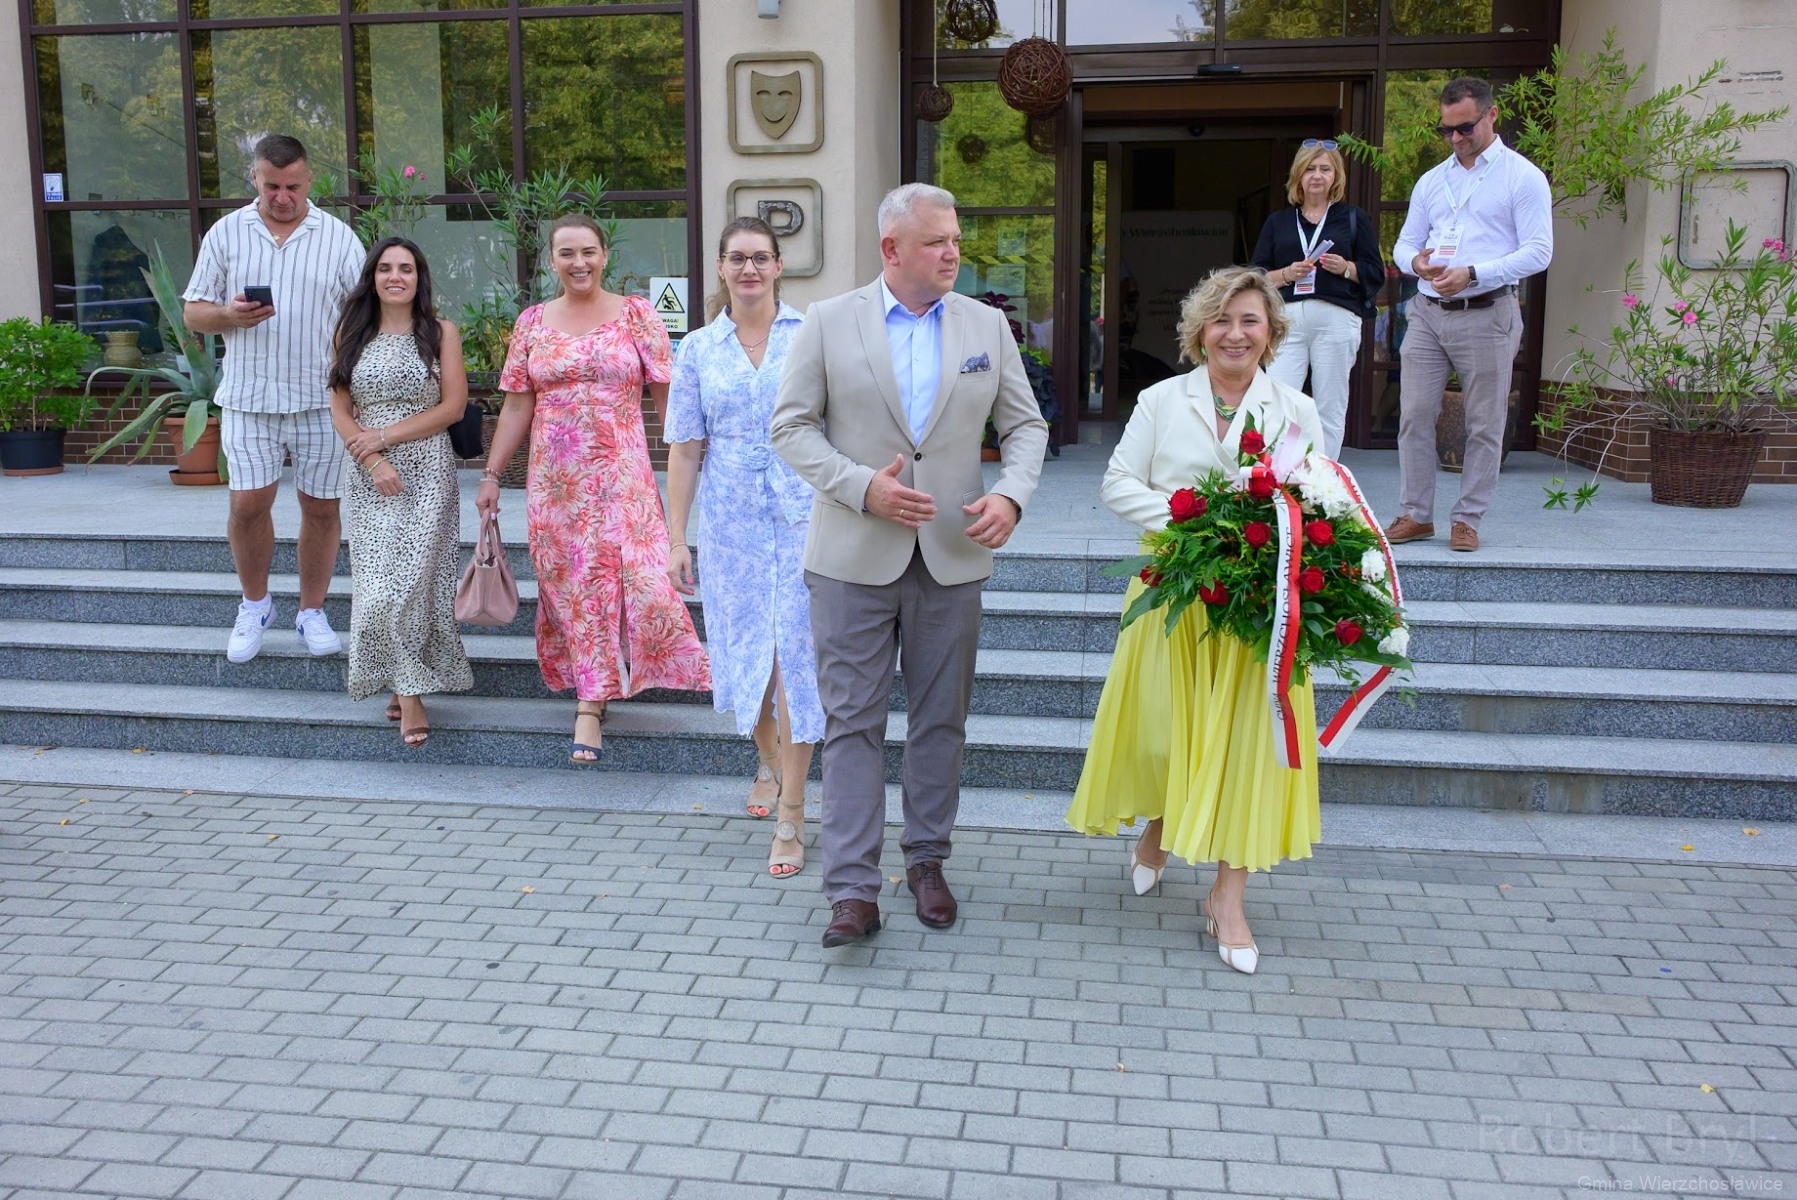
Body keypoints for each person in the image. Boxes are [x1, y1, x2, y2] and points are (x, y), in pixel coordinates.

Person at [771, 183, 1049, 948]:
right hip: (849, 559)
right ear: (891, 249)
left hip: (952, 556)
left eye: (955, 238)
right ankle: (851, 891)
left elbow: (1025, 428)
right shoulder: (828, 321)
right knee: (852, 725)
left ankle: (927, 862)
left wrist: (1011, 496)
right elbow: (789, 427)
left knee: (940, 723)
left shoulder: (984, 325)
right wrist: (861, 486)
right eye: (936, 241)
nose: (952, 252)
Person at [1066, 266, 1326, 976]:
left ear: (1271, 332)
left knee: (1248, 746)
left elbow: (1317, 500)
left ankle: (1226, 898)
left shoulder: (1296, 409)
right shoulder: (1159, 399)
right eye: (1221, 320)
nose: (1234, 334)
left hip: (1257, 603)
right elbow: (1117, 482)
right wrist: (1193, 522)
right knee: (1168, 727)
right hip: (1174, 590)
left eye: (1249, 320)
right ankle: (1158, 825)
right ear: (1199, 332)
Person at [478, 214, 710, 762]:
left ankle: (617, 678)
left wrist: (693, 465)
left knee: (642, 580)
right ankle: (591, 698)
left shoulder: (637, 315)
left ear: (605, 255)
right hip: (556, 485)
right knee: (576, 586)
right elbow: (516, 406)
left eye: (588, 251)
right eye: (566, 253)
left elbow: (668, 400)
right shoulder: (532, 322)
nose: (578, 262)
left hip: (622, 479)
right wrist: (491, 475)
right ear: (551, 261)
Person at [665, 217, 820, 877]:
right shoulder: (699, 349)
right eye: (738, 258)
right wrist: (677, 536)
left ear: (779, 266)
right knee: (748, 660)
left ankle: (792, 812)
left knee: (794, 661)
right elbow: (684, 447)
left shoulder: (812, 334)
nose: (749, 268)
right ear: (722, 267)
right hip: (730, 526)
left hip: (803, 519)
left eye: (761, 257)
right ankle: (768, 758)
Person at [182, 133, 365, 664]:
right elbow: (194, 312)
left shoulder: (339, 238)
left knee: (322, 508)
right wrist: (229, 316)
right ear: (255, 179)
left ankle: (312, 611)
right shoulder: (226, 232)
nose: (282, 197)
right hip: (249, 396)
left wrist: (354, 386)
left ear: (309, 180)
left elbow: (361, 317)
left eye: (293, 186)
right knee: (247, 505)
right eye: (272, 186)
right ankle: (255, 605)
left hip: (321, 399)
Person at [1388, 76, 1553, 553]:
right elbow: (1404, 244)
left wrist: (1474, 273)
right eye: (1447, 130)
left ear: (1492, 115)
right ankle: (1416, 514)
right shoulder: (1432, 180)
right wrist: (1416, 263)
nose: (1456, 138)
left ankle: (1467, 519)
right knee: (1414, 415)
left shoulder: (1522, 177)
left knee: (1484, 422)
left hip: (1486, 310)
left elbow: (1539, 252)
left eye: (1465, 128)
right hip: (1427, 310)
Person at [327, 237, 474, 747]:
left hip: (427, 471)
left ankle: (408, 692)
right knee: (376, 589)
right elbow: (340, 410)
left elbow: (453, 407)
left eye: (406, 268)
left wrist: (385, 437)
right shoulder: (351, 333)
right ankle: (405, 682)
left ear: (418, 278)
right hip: (370, 476)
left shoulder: (440, 332)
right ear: (372, 278)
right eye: (385, 268)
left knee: (413, 585)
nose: (395, 277)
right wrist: (372, 458)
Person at [1251, 138, 1385, 459]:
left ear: (1336, 176)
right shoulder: (1279, 222)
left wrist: (1347, 268)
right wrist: (1287, 274)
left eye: (1325, 169)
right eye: (1310, 168)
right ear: (1298, 175)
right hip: (1287, 320)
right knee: (1280, 403)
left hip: (1336, 320)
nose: (1317, 176)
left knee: (1330, 405)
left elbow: (1375, 273)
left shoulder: (1353, 218)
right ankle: (1281, 475)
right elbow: (1256, 277)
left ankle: (1324, 477)